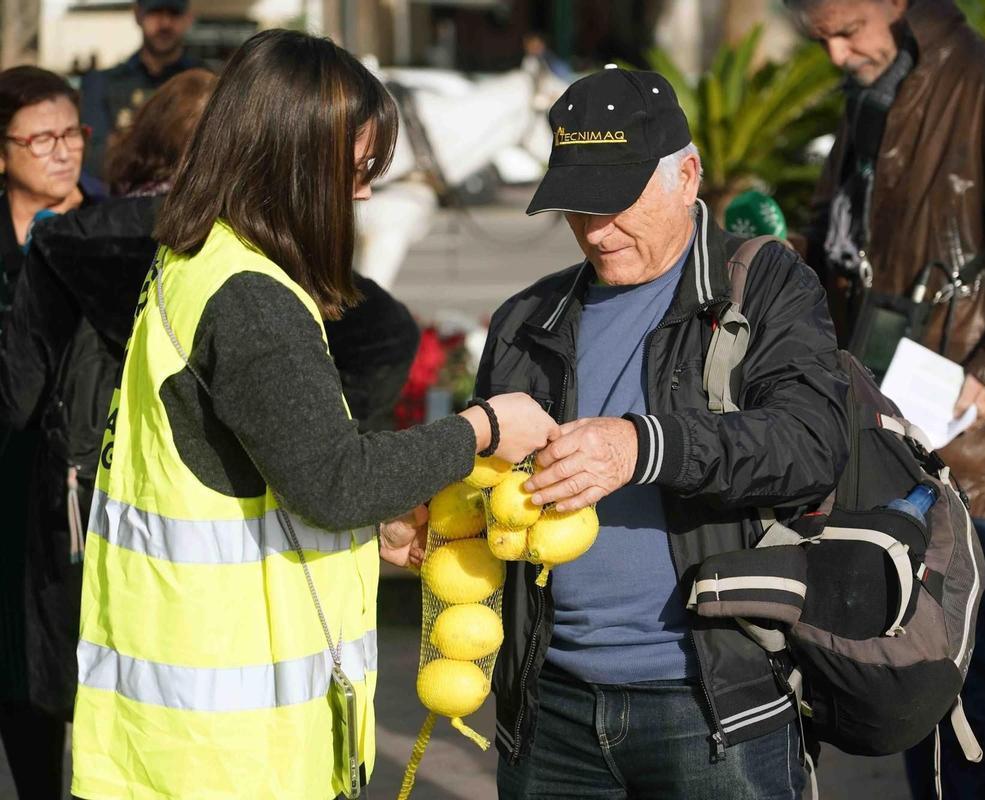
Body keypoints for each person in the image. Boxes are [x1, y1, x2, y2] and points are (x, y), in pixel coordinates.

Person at [69, 30, 557, 800]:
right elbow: (334, 480)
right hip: (234, 754)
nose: (364, 194)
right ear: (290, 161)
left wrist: (375, 525)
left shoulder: (200, 263)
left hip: (173, 736)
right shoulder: (253, 300)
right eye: (357, 169)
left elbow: (264, 471)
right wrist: (484, 429)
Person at [475, 65, 850, 799]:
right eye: (578, 207)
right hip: (550, 711)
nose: (596, 229)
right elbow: (490, 489)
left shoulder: (762, 283)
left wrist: (645, 446)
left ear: (687, 175)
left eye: (618, 202)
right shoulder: (526, 318)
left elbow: (811, 443)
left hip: (711, 706)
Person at [791, 0, 985, 797]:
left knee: (951, 666)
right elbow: (840, 237)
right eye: (819, 36)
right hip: (874, 412)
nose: (834, 54)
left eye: (846, 30)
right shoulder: (872, 86)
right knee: (899, 654)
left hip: (957, 425)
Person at [0, 64, 96, 800]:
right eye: (41, 138)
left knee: (62, 681)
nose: (62, 150)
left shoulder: (115, 233)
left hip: (80, 503)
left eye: (73, 133)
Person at [79, 0, 199, 181]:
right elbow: (94, 159)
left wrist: (123, 143)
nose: (165, 23)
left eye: (174, 13)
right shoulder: (102, 83)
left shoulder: (208, 83)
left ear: (189, 17)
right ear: (137, 14)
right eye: (155, 12)